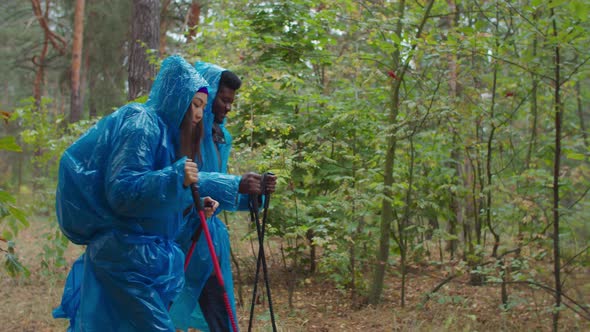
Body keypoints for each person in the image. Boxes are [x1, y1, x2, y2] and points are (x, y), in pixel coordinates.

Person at [52, 55, 220, 331]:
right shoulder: (142, 123)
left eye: (203, 106)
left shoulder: (168, 136)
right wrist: (175, 177)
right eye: (195, 104)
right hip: (125, 256)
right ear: (176, 98)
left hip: (144, 257)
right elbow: (123, 192)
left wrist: (194, 208)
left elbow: (155, 207)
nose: (199, 114)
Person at [169, 63, 276, 331]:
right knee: (163, 312)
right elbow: (184, 182)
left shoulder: (220, 137)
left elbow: (217, 195)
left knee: (220, 316)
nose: (228, 108)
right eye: (224, 100)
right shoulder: (182, 131)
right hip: (179, 239)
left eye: (231, 102)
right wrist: (236, 184)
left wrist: (255, 194)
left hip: (208, 240)